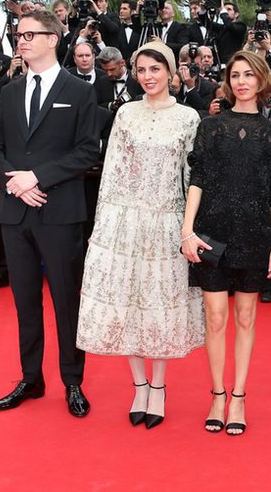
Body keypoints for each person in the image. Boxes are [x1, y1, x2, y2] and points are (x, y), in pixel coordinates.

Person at [76, 41, 204, 430]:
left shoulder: (188, 118)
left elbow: (190, 175)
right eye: (142, 70)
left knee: (158, 302)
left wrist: (188, 226)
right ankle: (139, 385)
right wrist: (103, 224)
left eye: (155, 69)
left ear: (170, 72)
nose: (148, 77)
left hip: (166, 221)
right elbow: (112, 168)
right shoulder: (126, 114)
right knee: (127, 301)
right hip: (124, 219)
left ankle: (160, 388)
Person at [0, 10, 101, 418]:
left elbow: (87, 150)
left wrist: (37, 177)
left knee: (67, 301)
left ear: (54, 38)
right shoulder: (10, 91)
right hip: (13, 212)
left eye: (31, 34)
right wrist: (14, 183)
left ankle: (73, 381)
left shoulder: (80, 91)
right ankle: (30, 378)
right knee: (24, 301)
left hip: (60, 212)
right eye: (18, 34)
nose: (22, 40)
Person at [181, 50, 271, 435]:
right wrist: (186, 230)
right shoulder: (211, 128)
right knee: (215, 316)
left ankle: (238, 396)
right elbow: (198, 180)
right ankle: (216, 394)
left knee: (245, 316)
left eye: (249, 75)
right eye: (236, 74)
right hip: (212, 232)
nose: (242, 81)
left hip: (256, 234)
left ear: (261, 81)